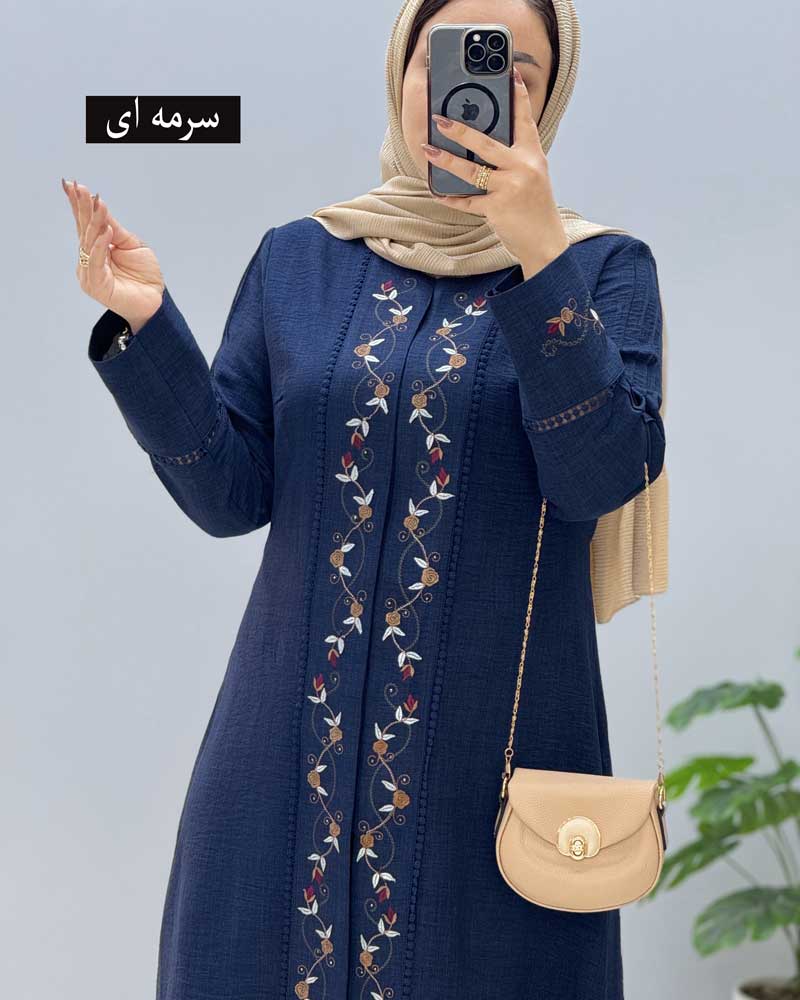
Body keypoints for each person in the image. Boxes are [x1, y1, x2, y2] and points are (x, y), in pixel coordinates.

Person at [65, 0, 668, 996]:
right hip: (277, 776)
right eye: (448, 59)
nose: (472, 92)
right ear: (401, 73)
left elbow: (596, 477)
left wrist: (535, 252)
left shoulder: (602, 270)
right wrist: (147, 325)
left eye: (512, 71)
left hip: (495, 792)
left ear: (551, 98)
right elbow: (229, 492)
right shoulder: (299, 261)